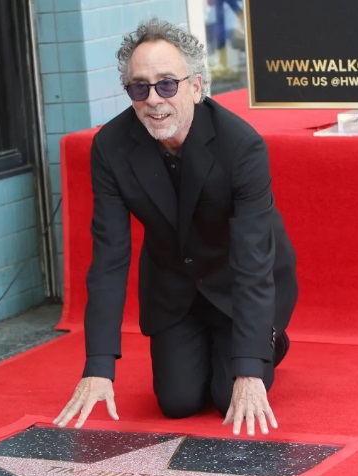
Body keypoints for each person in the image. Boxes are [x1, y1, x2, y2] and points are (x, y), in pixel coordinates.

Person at [54, 18, 298, 436]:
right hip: (173, 286)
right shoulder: (111, 147)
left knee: (229, 394)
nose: (153, 99)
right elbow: (110, 257)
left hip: (238, 284)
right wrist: (99, 367)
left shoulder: (241, 146)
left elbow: (254, 260)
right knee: (178, 402)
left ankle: (271, 341)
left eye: (167, 84)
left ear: (197, 87)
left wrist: (250, 367)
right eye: (139, 87)